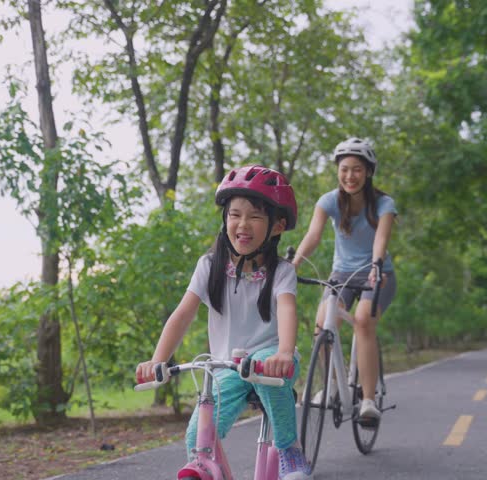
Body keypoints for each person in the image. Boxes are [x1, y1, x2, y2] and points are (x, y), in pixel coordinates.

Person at [135, 165, 312, 480]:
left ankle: (289, 449)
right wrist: (158, 359)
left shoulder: (281, 272)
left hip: (272, 363)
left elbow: (287, 309)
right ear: (225, 219)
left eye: (255, 217)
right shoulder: (209, 266)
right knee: (197, 439)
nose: (243, 224)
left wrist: (284, 352)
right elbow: (183, 313)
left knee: (261, 365)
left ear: (277, 226)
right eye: (235, 215)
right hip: (226, 368)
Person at [292, 137, 397, 423]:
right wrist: (295, 263)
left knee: (363, 320)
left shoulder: (384, 204)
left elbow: (381, 240)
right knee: (323, 324)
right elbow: (313, 236)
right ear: (338, 171)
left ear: (369, 172)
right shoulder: (328, 201)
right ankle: (332, 386)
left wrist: (376, 264)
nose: (350, 176)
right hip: (341, 275)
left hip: (378, 274)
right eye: (345, 169)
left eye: (357, 169)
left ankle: (367, 400)